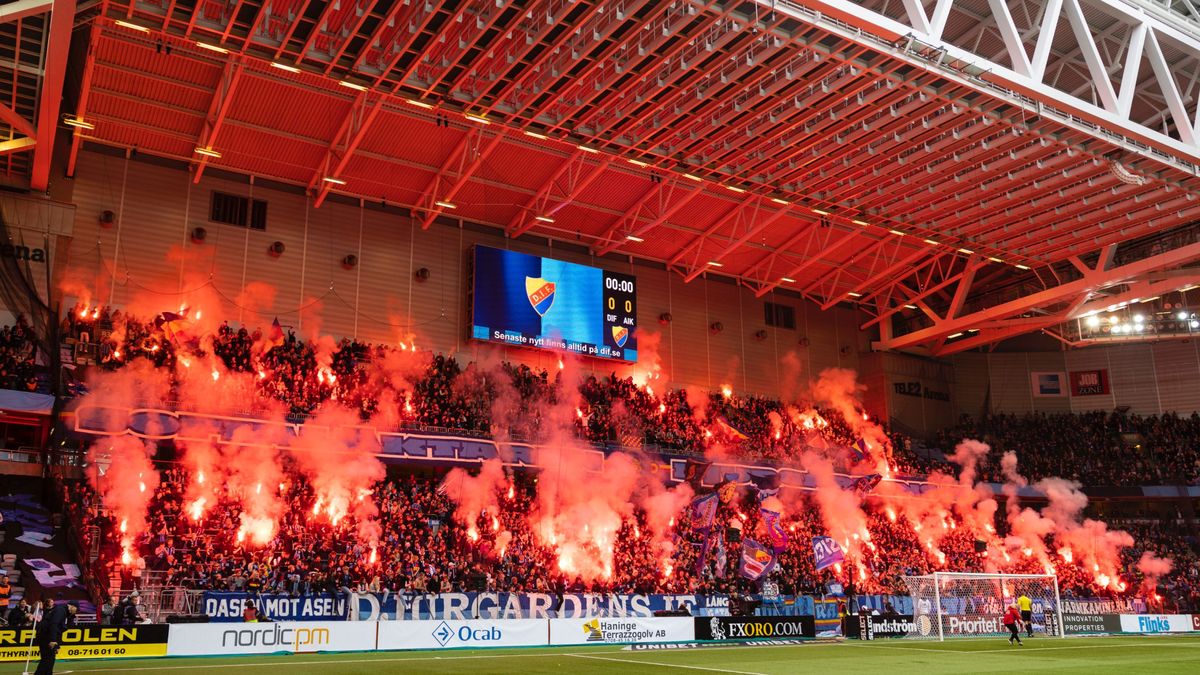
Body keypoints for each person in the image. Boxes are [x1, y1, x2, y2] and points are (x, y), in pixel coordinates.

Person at [34, 599, 77, 675]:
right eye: (76, 609)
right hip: (46, 635)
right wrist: (53, 640)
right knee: (47, 659)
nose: (76, 611)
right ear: (72, 606)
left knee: (49, 659)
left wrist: (71, 616)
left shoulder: (62, 610)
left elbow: (63, 627)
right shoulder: (61, 610)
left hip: (45, 635)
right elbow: (54, 624)